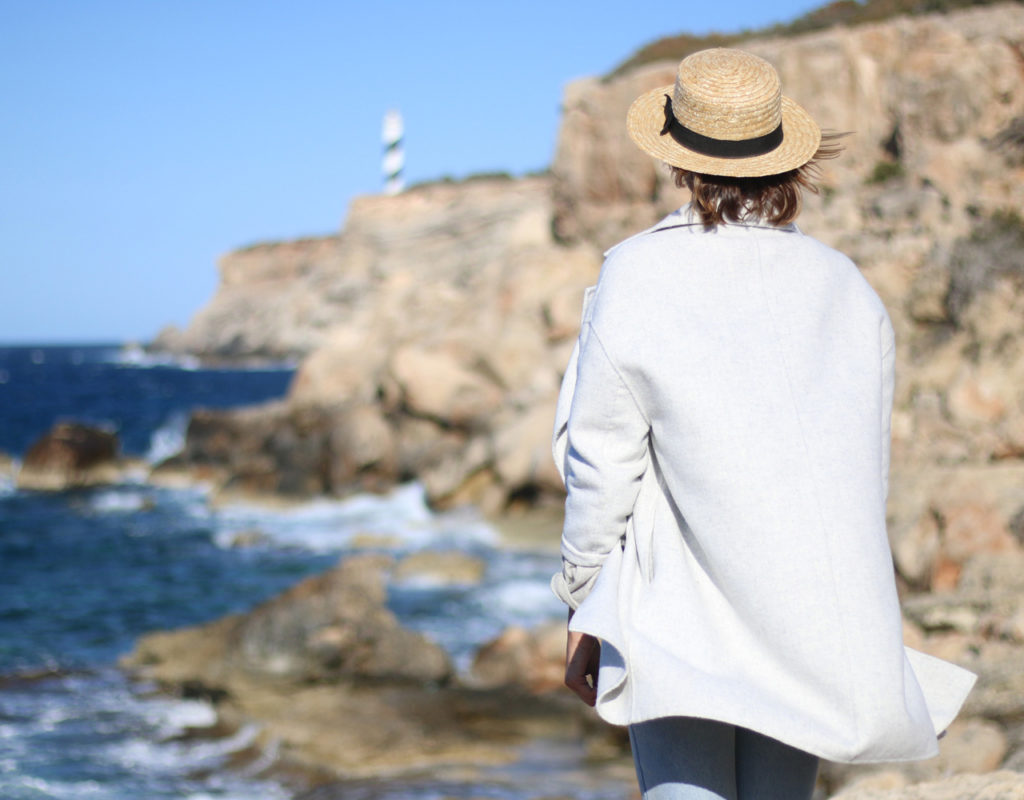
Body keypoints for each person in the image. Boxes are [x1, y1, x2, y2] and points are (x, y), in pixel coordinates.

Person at [550, 48, 976, 800]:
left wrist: (586, 600)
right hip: (805, 613)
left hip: (679, 611)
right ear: (783, 158)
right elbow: (858, 477)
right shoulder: (846, 286)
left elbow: (601, 460)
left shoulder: (639, 275)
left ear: (679, 159)